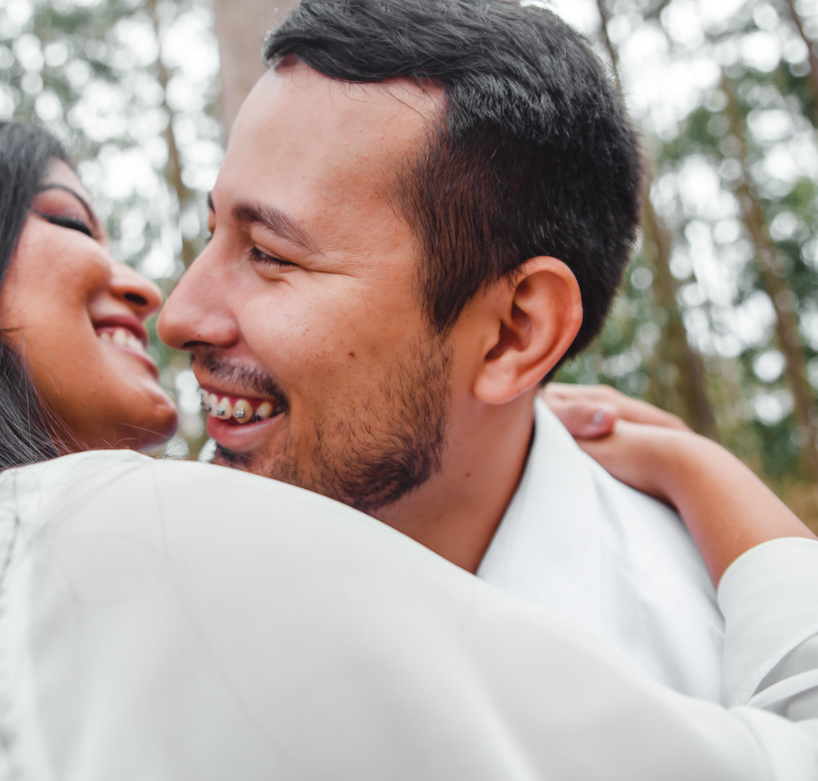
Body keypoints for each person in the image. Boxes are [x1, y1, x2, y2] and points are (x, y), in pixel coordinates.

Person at [0, 115, 818, 781]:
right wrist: (714, 478)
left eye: (269, 251)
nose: (158, 297)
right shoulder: (115, 541)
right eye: (70, 220)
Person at [157, 0, 724, 699]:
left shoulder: (712, 677)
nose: (178, 316)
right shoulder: (147, 593)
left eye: (271, 254)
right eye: (211, 231)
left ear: (514, 334)